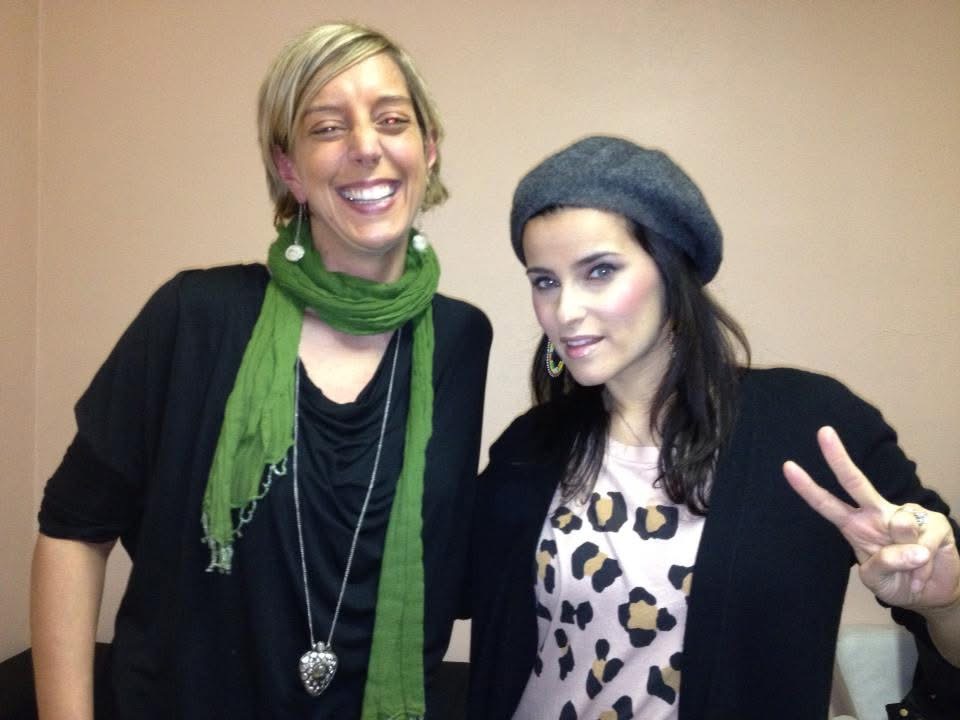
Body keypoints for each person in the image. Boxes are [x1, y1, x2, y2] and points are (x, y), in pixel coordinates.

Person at [30, 22, 491, 720]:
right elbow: (72, 530)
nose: (366, 146)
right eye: (327, 127)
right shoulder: (194, 317)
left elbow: (452, 561)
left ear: (428, 149)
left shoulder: (460, 341)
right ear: (289, 169)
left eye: (392, 120)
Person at [467, 136, 959, 720]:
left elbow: (944, 613)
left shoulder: (808, 424)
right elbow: (445, 591)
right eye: (544, 280)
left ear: (673, 269)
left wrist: (945, 603)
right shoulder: (530, 446)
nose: (564, 311)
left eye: (599, 271)